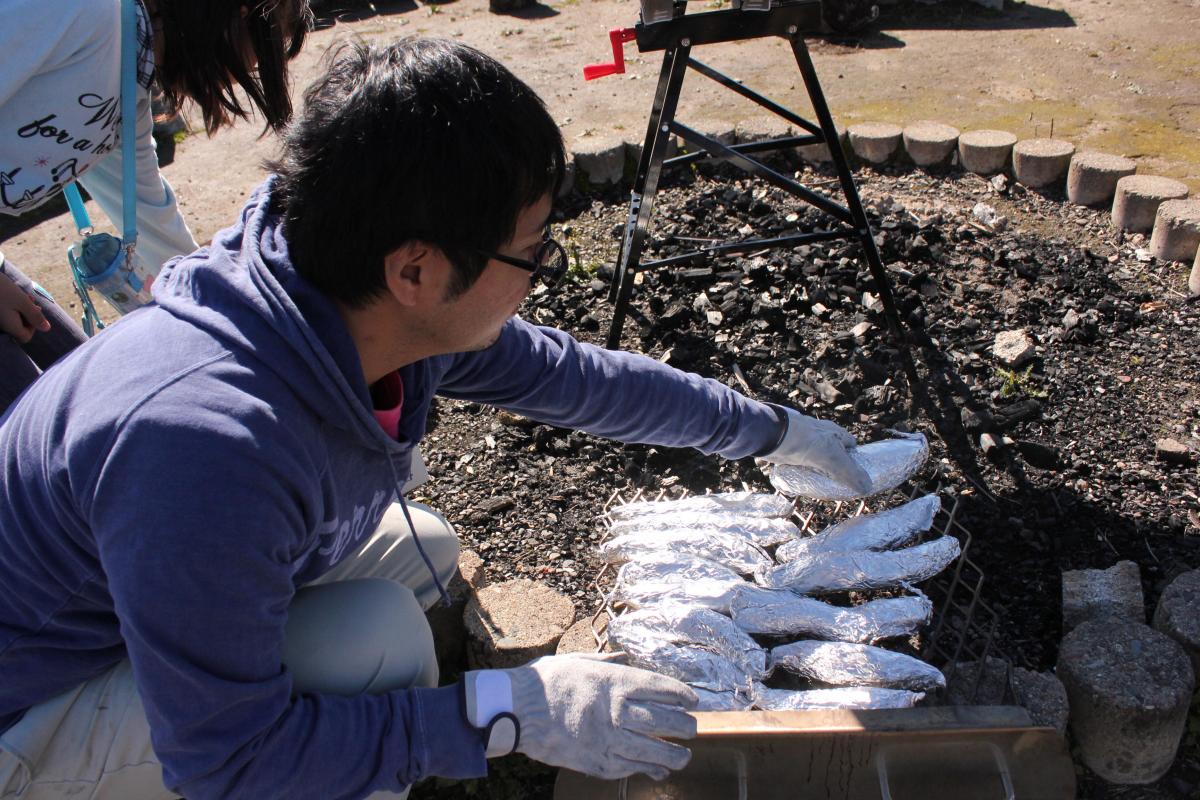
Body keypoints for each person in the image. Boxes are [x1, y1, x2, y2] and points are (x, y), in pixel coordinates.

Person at [0, 38, 871, 800]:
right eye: (532, 253)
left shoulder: (339, 288)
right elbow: (228, 760)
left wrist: (770, 430)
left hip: (143, 587)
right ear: (415, 269)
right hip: (27, 704)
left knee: (425, 549)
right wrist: (504, 713)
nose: (541, 274)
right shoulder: (207, 452)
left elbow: (580, 379)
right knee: (376, 645)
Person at [0, 0, 311, 413]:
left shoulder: (128, 86)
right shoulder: (77, 11)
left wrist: (232, 327)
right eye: (263, 53)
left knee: (93, 403)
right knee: (36, 432)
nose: (249, 74)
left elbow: (151, 219)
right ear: (238, 12)